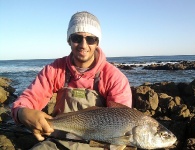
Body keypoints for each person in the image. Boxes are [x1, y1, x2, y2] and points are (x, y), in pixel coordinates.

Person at [11, 11, 132, 149]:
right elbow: (29, 99)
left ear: (97, 42)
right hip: (57, 142)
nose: (83, 45)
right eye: (76, 38)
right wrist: (22, 113)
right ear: (69, 40)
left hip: (98, 146)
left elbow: (123, 120)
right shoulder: (54, 70)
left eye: (90, 39)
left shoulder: (115, 78)